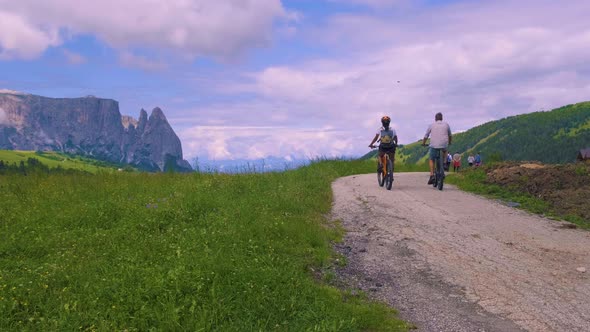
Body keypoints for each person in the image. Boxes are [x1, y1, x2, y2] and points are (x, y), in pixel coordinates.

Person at [422, 112, 452, 184]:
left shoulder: (431, 125)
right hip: (444, 144)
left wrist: (423, 143)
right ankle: (444, 163)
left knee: (431, 159)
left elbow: (426, 136)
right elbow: (450, 135)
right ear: (442, 118)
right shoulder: (446, 124)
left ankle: (432, 175)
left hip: (434, 145)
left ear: (435, 119)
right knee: (445, 151)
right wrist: (450, 142)